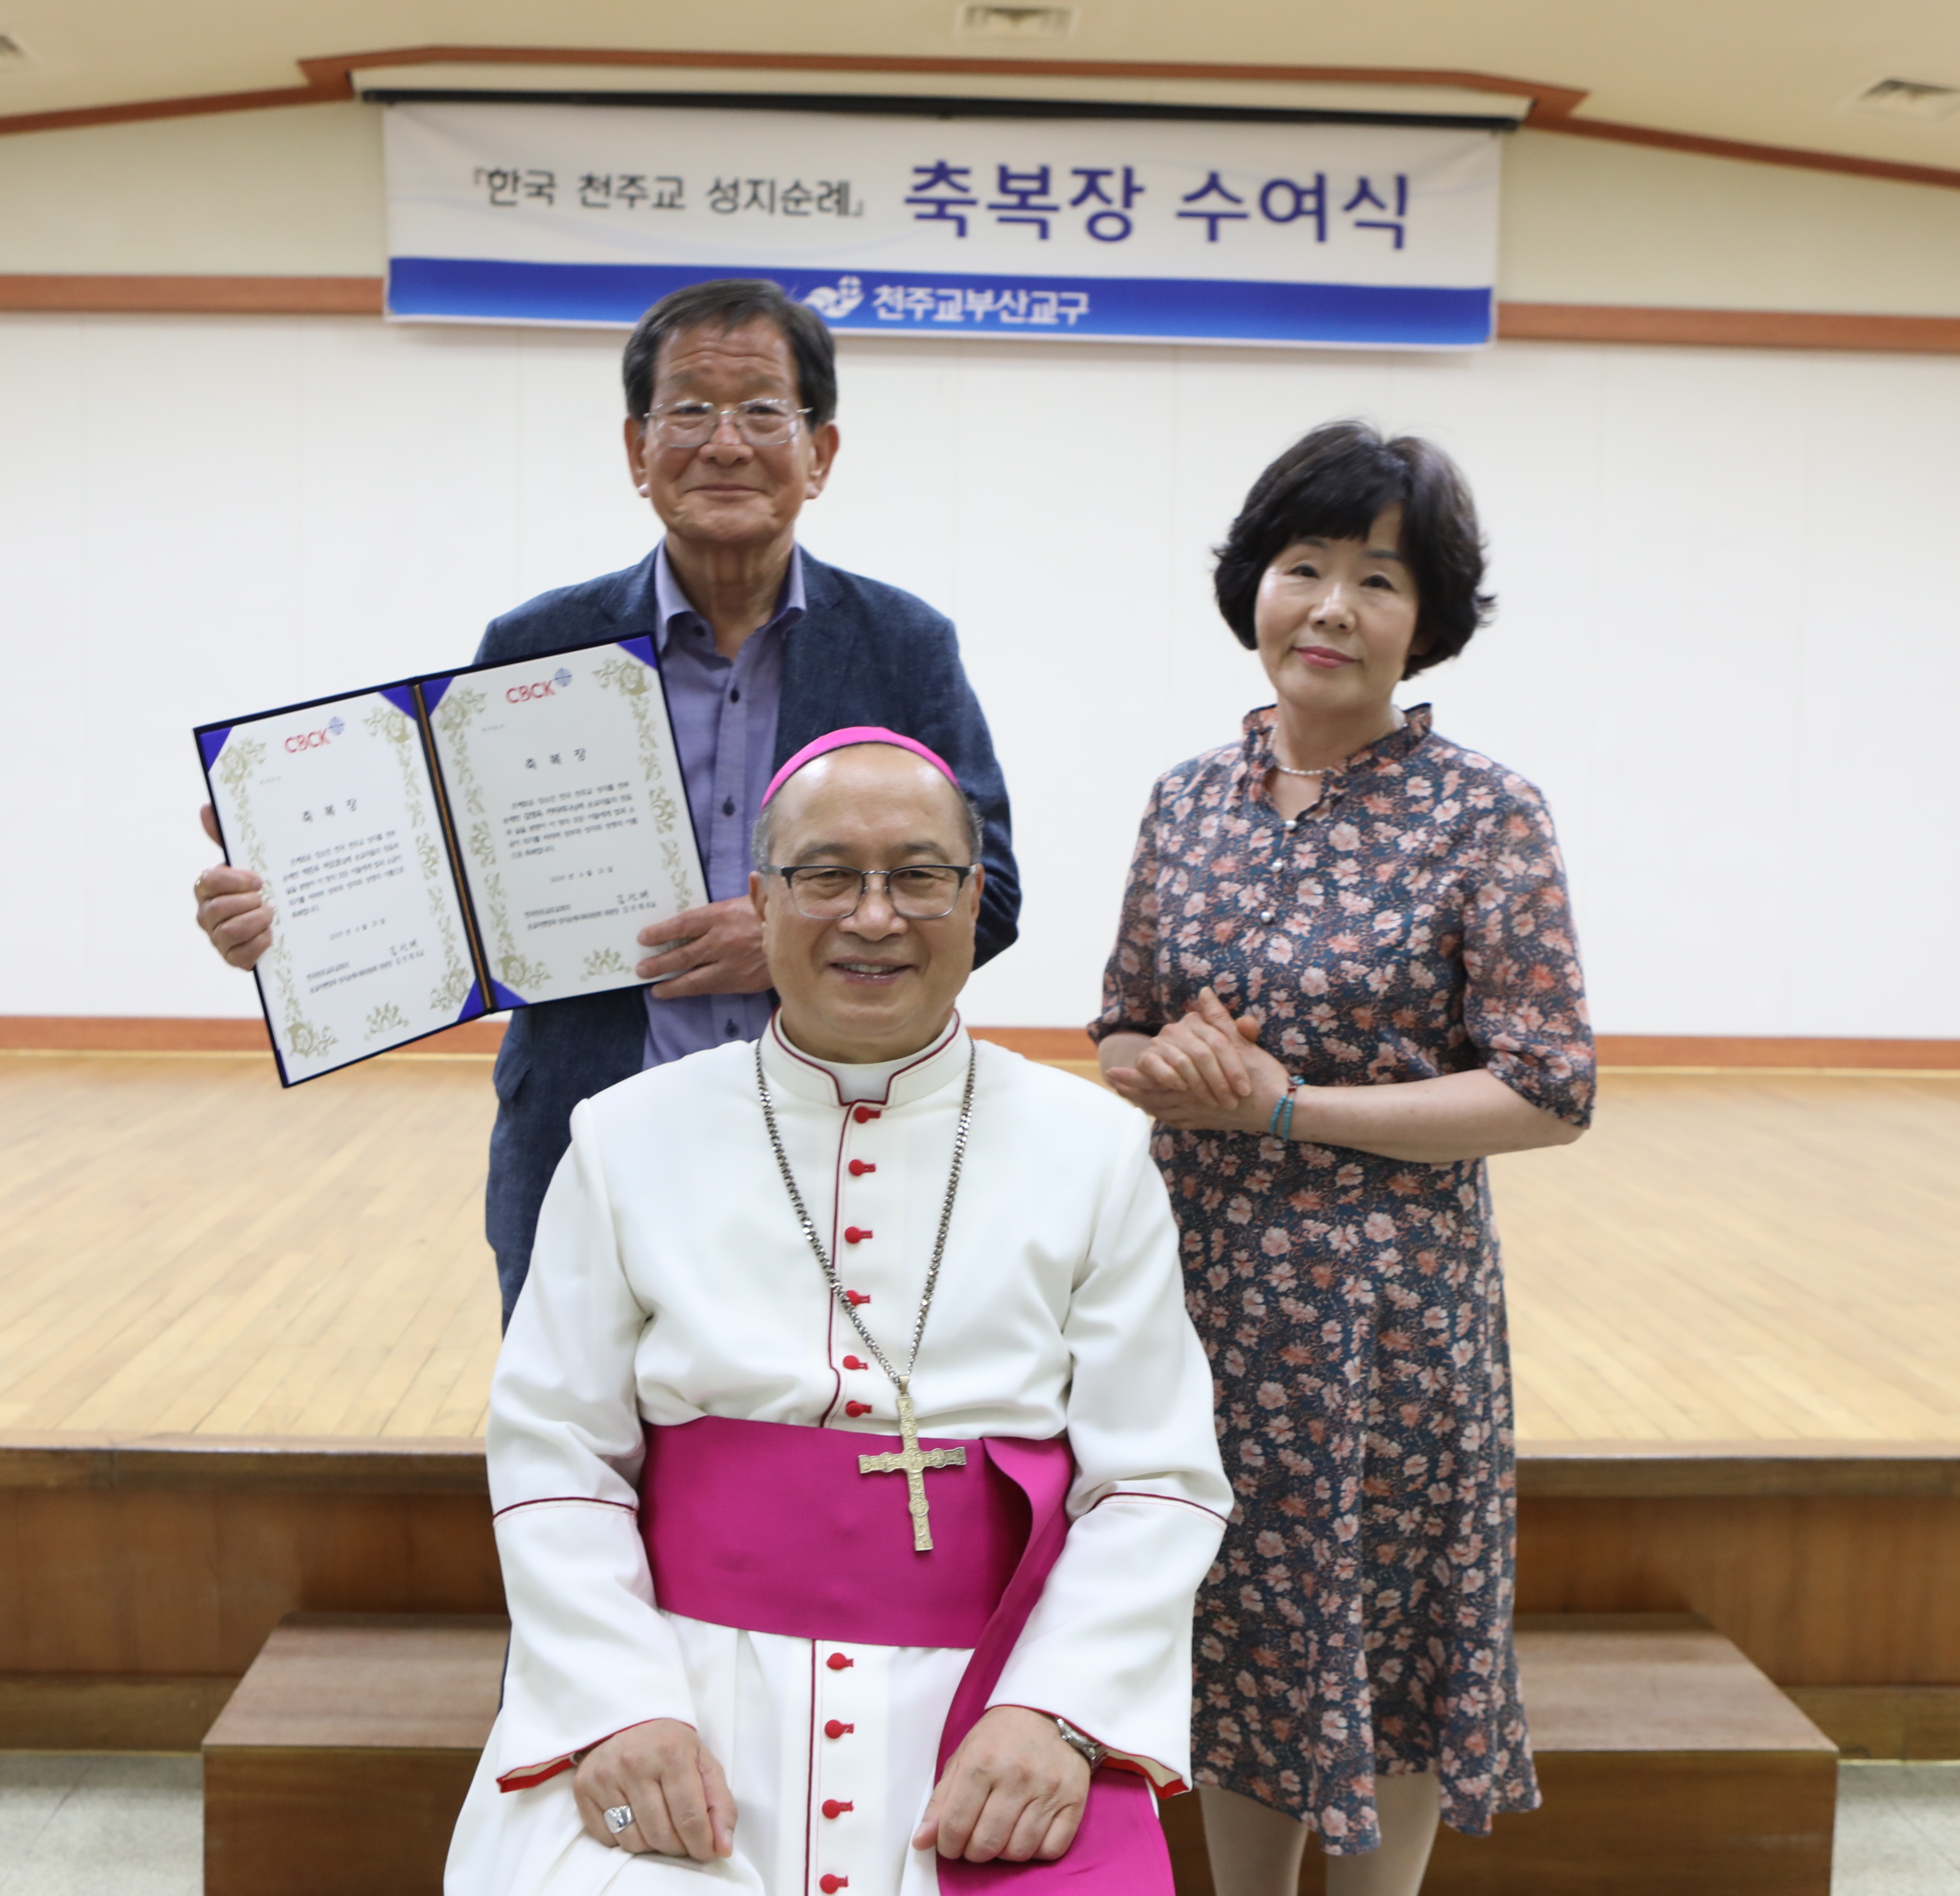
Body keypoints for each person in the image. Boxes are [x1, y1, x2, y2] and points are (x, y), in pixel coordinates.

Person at [444, 730, 1232, 1895]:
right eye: (827, 877)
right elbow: (556, 1450)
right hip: (685, 1689)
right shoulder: (624, 1137)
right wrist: (619, 1705)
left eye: (919, 876)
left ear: (974, 902)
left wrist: (1055, 1712)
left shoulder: (1097, 1150)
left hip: (990, 1703)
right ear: (762, 903)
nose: (874, 917)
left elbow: (1158, 1478)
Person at [191, 281, 1018, 1321]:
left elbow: (990, 897)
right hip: (589, 1134)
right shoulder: (533, 647)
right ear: (638, 451)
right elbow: (447, 898)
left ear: (822, 452)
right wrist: (286, 907)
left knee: (819, 1449)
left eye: (764, 410)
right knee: (578, 1443)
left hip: (846, 1134)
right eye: (688, 412)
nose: (726, 443)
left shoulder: (903, 646)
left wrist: (792, 937)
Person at [1090, 422, 1595, 1896]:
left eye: (1377, 579)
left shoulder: (1486, 816)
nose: (1330, 607)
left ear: (1426, 620)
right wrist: (1170, 1073)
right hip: (1198, 1299)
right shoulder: (1188, 799)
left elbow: (1549, 1090)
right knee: (1237, 1620)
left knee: (1383, 1634)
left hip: (1392, 1319)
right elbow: (1118, 1030)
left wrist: (1289, 1107)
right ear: (1254, 585)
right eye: (1303, 567)